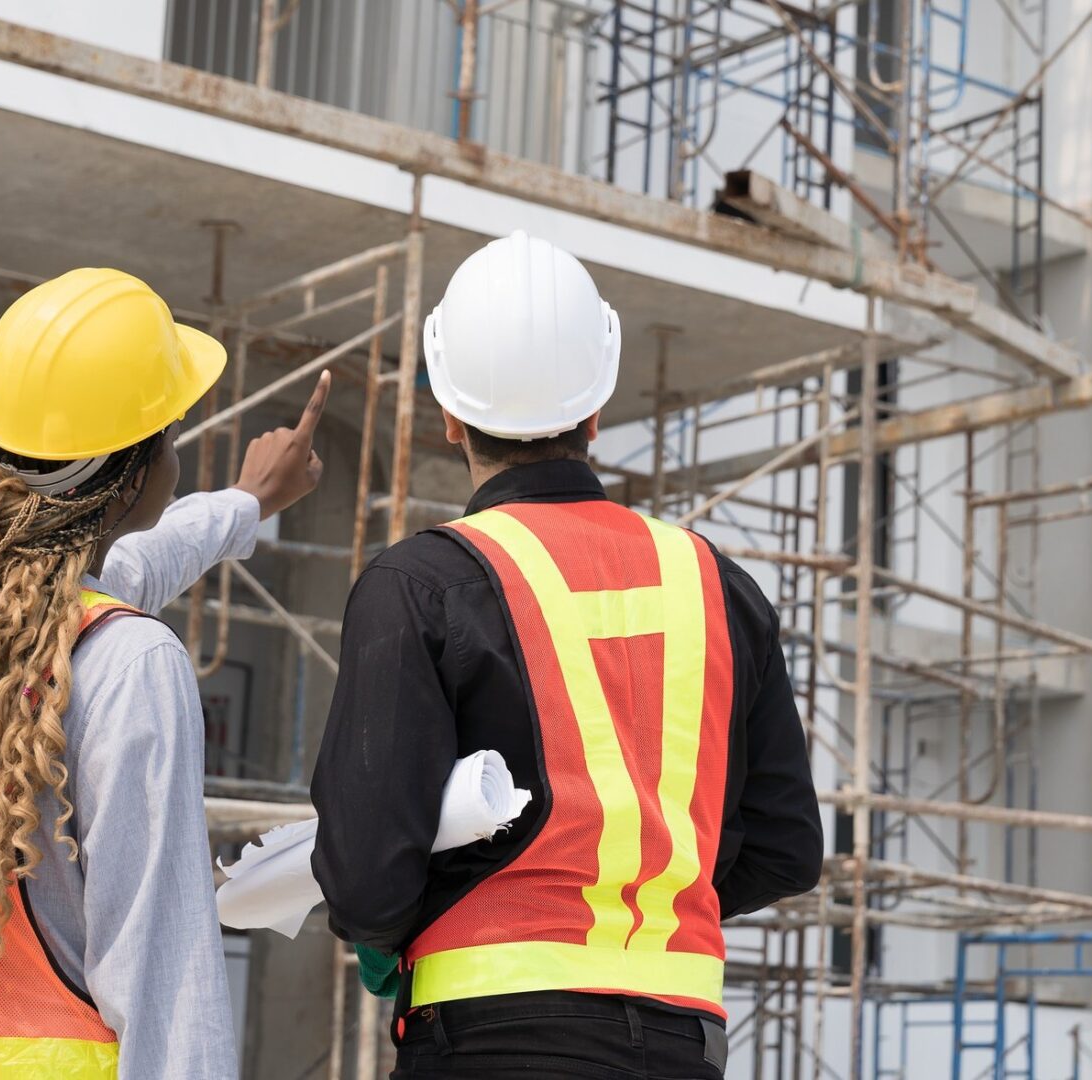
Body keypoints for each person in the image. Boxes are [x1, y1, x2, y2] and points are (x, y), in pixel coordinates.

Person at [311, 232, 823, 1079]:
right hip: (681, 1041)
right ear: (596, 409)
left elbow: (367, 886)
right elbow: (786, 850)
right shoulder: (717, 585)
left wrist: (417, 919)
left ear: (447, 413)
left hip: (487, 1039)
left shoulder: (419, 585)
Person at [0, 267, 330, 1080]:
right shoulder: (129, 661)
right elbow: (163, 971)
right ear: (137, 475)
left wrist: (245, 504)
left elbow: (114, 571)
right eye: (171, 436)